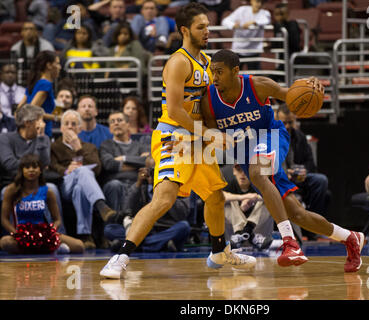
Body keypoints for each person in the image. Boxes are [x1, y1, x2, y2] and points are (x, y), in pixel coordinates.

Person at [100, 3, 256, 279]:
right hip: (174, 135)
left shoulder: (208, 64)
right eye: (200, 27)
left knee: (215, 197)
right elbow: (174, 110)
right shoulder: (178, 61)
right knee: (164, 198)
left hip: (197, 137)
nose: (207, 31)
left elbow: (208, 107)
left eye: (208, 25)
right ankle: (120, 256)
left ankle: (220, 251)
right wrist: (208, 133)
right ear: (185, 30)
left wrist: (223, 130)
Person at [202, 49, 365, 272]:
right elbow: (211, 134)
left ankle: (290, 243)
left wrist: (311, 85)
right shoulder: (209, 99)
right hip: (246, 153)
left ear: (235, 71)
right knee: (296, 213)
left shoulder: (257, 85)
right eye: (213, 72)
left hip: (271, 137)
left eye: (220, 72)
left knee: (259, 173)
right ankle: (350, 238)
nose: (215, 77)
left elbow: (292, 93)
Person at [50, 109, 117, 249]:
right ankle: (101, 205)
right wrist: (67, 170)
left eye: (73, 124)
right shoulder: (54, 147)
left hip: (82, 187)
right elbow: (51, 168)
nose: (70, 127)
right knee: (81, 170)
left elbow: (97, 169)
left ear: (80, 128)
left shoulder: (89, 147)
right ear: (61, 127)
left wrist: (78, 148)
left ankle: (85, 235)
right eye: (66, 123)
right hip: (64, 185)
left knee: (80, 186)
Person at [104, 155, 192, 253]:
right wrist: (138, 184)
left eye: (154, 170)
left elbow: (182, 214)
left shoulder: (175, 183)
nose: (151, 174)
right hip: (142, 228)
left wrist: (165, 193)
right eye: (149, 170)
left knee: (184, 226)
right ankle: (159, 245)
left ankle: (134, 244)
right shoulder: (141, 185)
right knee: (109, 229)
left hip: (165, 228)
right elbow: (127, 209)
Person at [0, 154, 85, 254]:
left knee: (79, 246)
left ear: (40, 170)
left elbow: (57, 219)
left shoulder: (48, 191)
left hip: (43, 234)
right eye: (27, 167)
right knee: (5, 242)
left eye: (35, 167)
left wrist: (50, 232)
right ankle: (51, 249)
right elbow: (4, 219)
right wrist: (17, 234)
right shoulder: (12, 190)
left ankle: (36, 249)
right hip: (21, 234)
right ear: (22, 171)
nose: (31, 170)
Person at [0, 104, 64, 232]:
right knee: (5, 192)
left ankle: (57, 236)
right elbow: (9, 165)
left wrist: (40, 138)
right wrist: (32, 165)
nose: (43, 123)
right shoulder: (5, 138)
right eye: (40, 120)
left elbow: (45, 162)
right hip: (14, 182)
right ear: (28, 123)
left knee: (52, 189)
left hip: (37, 183)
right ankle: (15, 235)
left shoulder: (43, 139)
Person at [276, 104, 330, 239]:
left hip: (299, 179)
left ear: (295, 120)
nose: (287, 126)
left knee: (321, 181)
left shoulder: (299, 136)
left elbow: (311, 162)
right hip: (280, 180)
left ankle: (314, 228)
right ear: (276, 120)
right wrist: (284, 173)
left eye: (290, 122)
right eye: (284, 122)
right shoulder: (271, 136)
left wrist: (303, 172)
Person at [100, 111, 148, 212]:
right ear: (109, 128)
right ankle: (114, 223)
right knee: (115, 185)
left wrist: (123, 158)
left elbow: (147, 161)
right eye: (112, 121)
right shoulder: (106, 145)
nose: (116, 123)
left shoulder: (139, 145)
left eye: (119, 120)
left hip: (137, 183)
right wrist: (137, 163)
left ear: (128, 125)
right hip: (115, 185)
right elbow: (109, 164)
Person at [224, 164, 274, 250]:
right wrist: (245, 197)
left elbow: (274, 195)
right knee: (227, 200)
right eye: (239, 170)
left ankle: (247, 231)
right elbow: (219, 196)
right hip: (234, 237)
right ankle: (243, 233)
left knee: (266, 200)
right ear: (234, 171)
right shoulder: (228, 182)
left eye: (245, 170)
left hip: (259, 231)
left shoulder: (260, 183)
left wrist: (255, 198)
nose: (243, 174)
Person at [17, 50, 61, 138]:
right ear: (49, 65)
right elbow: (31, 112)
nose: (60, 67)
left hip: (29, 133)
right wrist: (58, 118)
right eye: (57, 63)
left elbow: (19, 109)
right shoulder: (46, 84)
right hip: (40, 134)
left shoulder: (34, 83)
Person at [221, 0, 271, 71]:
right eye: (257, 1)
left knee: (255, 77)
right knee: (235, 76)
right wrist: (233, 25)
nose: (259, 4)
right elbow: (225, 21)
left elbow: (266, 21)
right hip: (238, 49)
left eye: (261, 2)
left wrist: (253, 22)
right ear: (251, 1)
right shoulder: (242, 10)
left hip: (254, 50)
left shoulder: (265, 13)